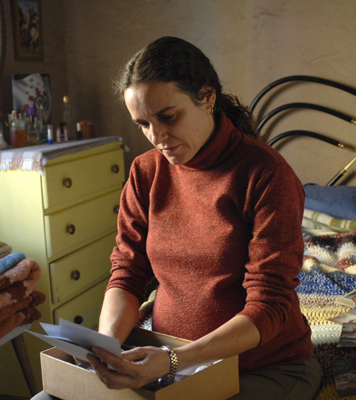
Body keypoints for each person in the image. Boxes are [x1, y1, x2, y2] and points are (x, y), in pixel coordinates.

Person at [86, 36, 322, 400]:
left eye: (168, 117)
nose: (158, 137)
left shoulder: (266, 173)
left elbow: (269, 304)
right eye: (143, 125)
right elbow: (128, 272)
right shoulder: (145, 172)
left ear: (207, 97)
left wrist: (174, 361)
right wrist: (106, 348)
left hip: (262, 367)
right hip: (169, 361)